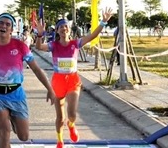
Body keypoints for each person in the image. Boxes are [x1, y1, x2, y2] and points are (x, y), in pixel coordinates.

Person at [0, 13, 56, 148]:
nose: (4, 26)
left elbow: (36, 69)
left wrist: (50, 89)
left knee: (24, 136)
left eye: (8, 24)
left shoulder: (20, 47)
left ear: (11, 30)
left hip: (16, 94)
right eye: (1, 23)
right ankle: (7, 119)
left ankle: (13, 118)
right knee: (4, 132)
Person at [34, 12, 112, 148]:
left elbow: (92, 36)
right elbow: (39, 47)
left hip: (72, 80)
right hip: (58, 81)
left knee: (72, 114)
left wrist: (103, 22)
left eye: (66, 26)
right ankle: (60, 141)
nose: (64, 29)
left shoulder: (76, 43)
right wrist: (40, 35)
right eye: (61, 27)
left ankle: (71, 125)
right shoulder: (53, 45)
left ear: (69, 29)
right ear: (57, 31)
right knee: (60, 117)